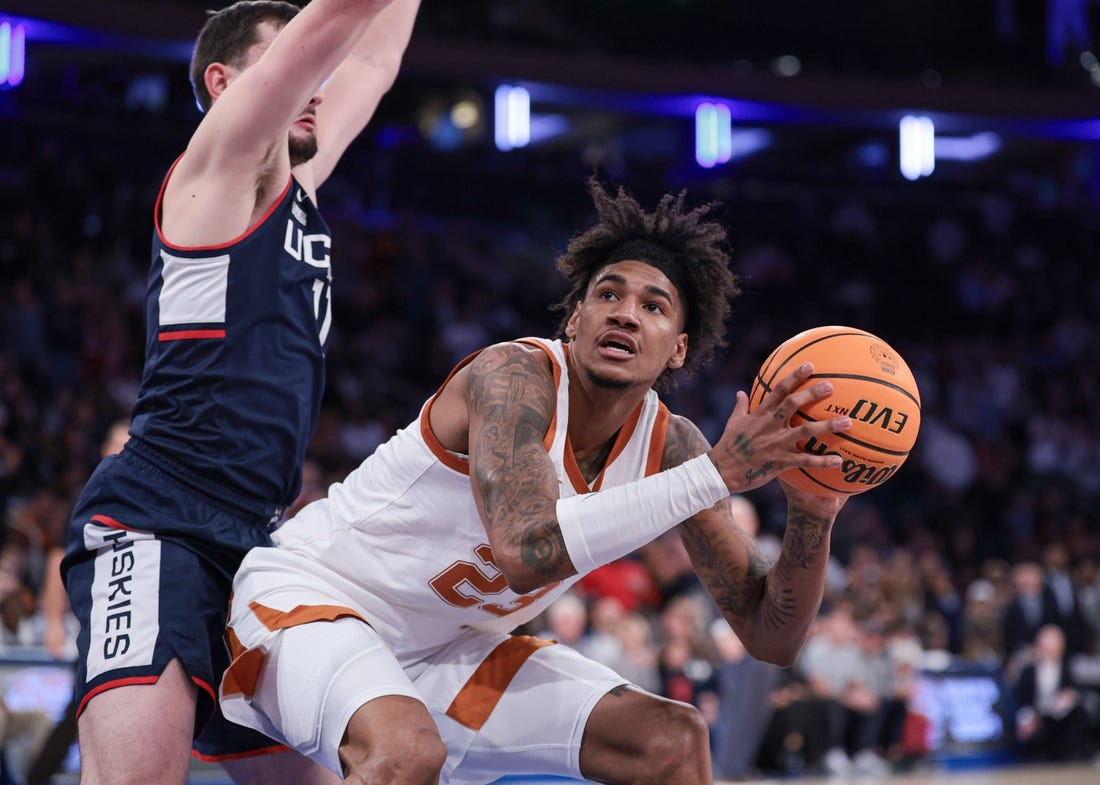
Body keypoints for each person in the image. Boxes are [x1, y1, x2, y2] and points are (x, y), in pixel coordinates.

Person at [220, 177, 854, 784]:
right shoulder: (512, 377)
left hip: (446, 652)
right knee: (405, 752)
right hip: (312, 603)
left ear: (679, 348)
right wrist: (714, 475)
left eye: (652, 306)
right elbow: (526, 553)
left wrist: (812, 515)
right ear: (574, 320)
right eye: (608, 295)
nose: (626, 315)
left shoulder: (671, 448)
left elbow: (771, 637)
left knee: (670, 741)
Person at [58, 1, 421, 784]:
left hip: (259, 547)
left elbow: (370, 61)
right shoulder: (220, 167)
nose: (319, 85)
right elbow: (339, 22)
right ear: (225, 84)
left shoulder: (300, 184)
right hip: (158, 524)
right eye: (294, 67)